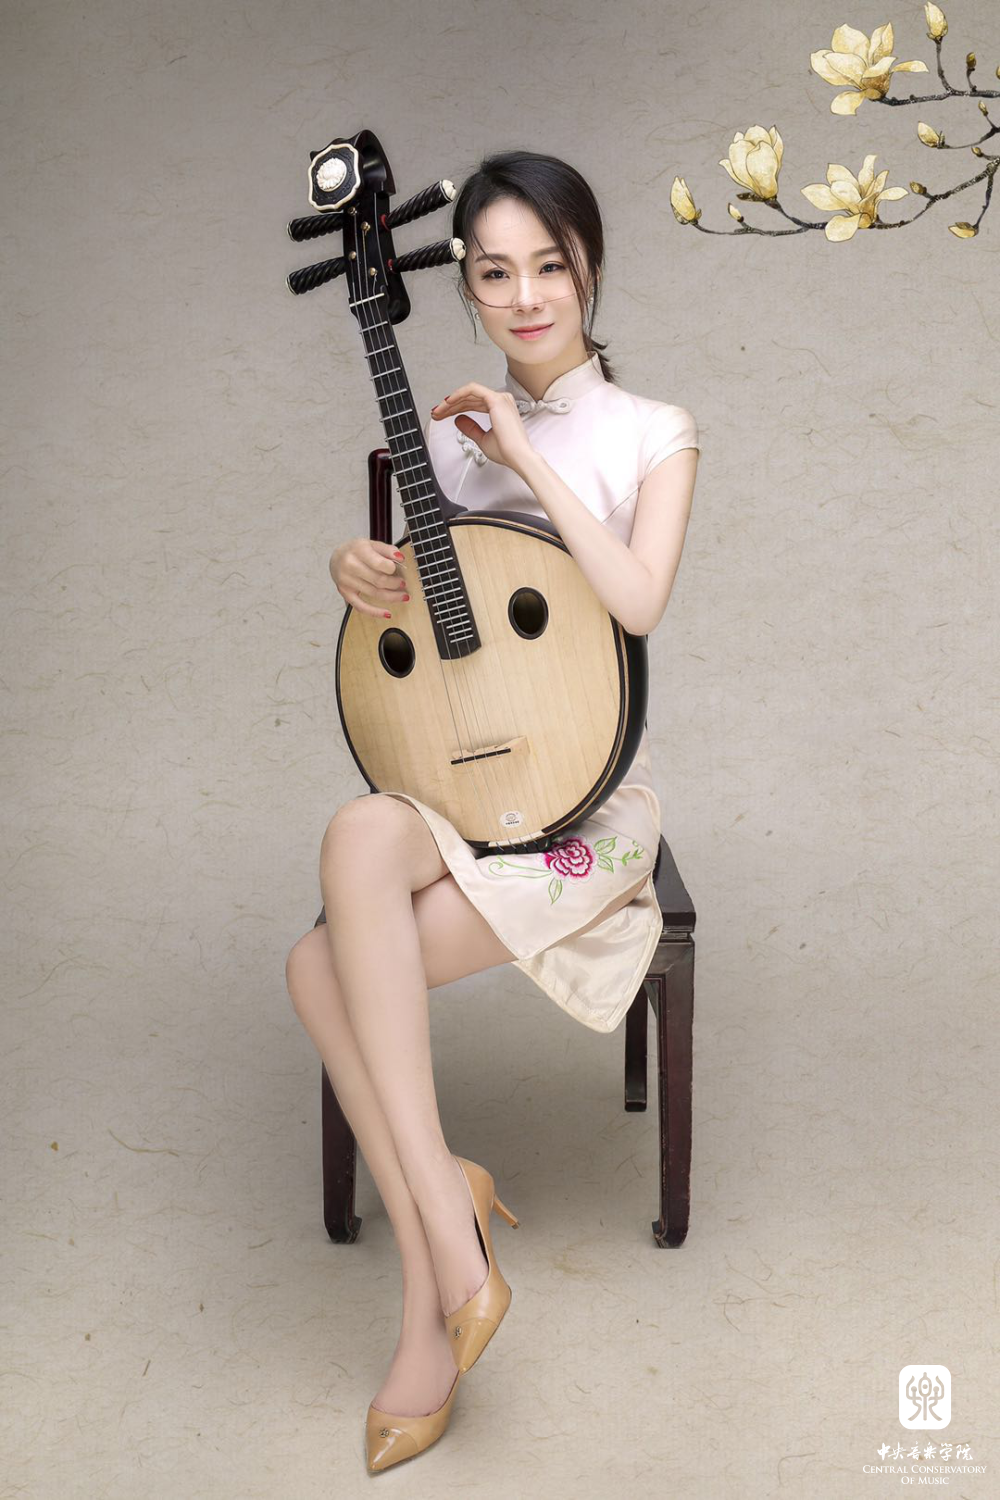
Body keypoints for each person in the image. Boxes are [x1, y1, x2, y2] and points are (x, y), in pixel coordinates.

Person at [284, 148, 700, 1473]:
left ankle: (428, 1296)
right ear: (461, 286)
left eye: (549, 268)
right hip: (465, 783)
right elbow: (433, 635)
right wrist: (360, 569)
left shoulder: (655, 433)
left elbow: (635, 601)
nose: (526, 299)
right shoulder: (440, 443)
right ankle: (446, 1226)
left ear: (590, 268)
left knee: (316, 966)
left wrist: (520, 451)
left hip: (589, 802)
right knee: (358, 830)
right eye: (495, 274)